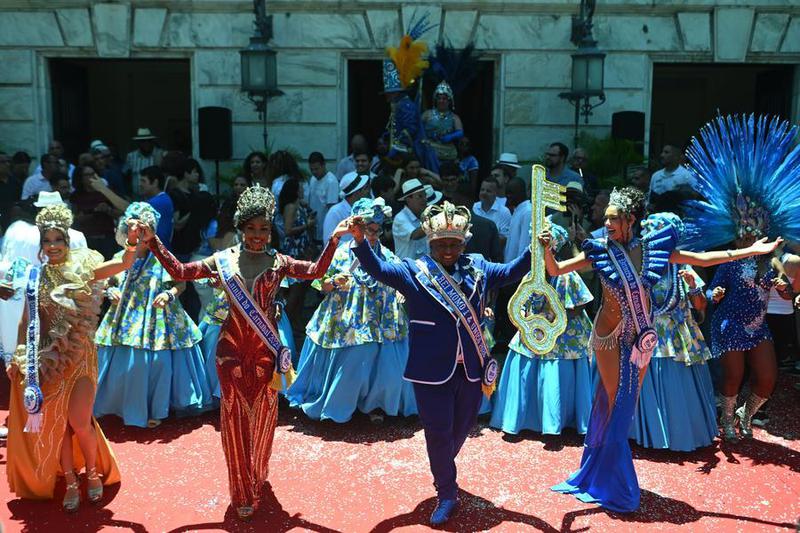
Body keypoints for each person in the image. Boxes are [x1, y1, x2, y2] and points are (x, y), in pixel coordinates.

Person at [541, 186, 780, 512]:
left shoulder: (654, 249)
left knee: (625, 404)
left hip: (641, 336)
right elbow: (556, 270)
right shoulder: (599, 249)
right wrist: (546, 250)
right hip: (609, 335)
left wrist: (750, 251)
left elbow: (702, 259)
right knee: (614, 402)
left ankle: (602, 474)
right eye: (606, 218)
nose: (607, 224)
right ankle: (612, 480)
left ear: (631, 219)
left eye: (613, 219)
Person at [137, 184, 352, 520]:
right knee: (234, 419)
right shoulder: (222, 261)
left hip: (267, 353)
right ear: (240, 227)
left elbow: (316, 272)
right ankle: (241, 490)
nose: (257, 235)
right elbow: (180, 272)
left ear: (271, 230)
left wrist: (335, 239)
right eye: (251, 228)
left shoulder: (279, 263)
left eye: (264, 229)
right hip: (230, 352)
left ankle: (257, 472)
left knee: (265, 418)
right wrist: (153, 242)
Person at [350, 201, 533, 525]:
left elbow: (510, 272)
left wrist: (536, 249)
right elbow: (378, 270)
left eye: (454, 244)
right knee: (438, 432)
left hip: (472, 368)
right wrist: (361, 241)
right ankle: (447, 490)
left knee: (459, 430)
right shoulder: (413, 270)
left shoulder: (478, 266)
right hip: (430, 369)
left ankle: (442, 465)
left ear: (464, 243)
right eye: (440, 245)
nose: (448, 251)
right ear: (430, 243)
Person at [3, 204, 141, 510]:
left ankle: (92, 473)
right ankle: (70, 481)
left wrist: (132, 242)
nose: (53, 246)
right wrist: (17, 356)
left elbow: (123, 263)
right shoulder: (35, 277)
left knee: (79, 421)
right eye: (47, 241)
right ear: (41, 245)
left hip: (80, 357)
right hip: (49, 362)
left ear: (67, 241)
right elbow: (26, 321)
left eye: (58, 240)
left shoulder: (82, 270)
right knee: (60, 426)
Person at [680, 115, 800, 442]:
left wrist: (786, 290)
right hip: (730, 323)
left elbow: (788, 293)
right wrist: (715, 293)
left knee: (768, 380)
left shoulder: (771, 261)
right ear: (736, 237)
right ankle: (728, 418)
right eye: (744, 235)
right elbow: (710, 291)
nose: (749, 239)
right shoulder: (730, 261)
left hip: (758, 327)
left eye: (754, 235)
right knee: (732, 378)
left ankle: (747, 413)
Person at [288, 198, 416, 423]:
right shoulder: (340, 254)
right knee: (354, 363)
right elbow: (320, 284)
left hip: (381, 320)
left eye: (377, 230)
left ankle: (377, 404)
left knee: (386, 367)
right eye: (368, 230)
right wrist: (334, 282)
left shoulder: (387, 256)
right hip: (346, 321)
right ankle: (342, 405)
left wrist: (400, 292)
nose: (373, 235)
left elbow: (400, 280)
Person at [93, 203, 211, 428]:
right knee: (126, 362)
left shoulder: (162, 257)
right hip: (125, 318)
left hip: (159, 317)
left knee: (160, 362)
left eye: (143, 234)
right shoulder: (120, 256)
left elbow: (181, 284)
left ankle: (157, 407)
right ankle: (120, 405)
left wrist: (168, 294)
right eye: (134, 234)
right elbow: (107, 281)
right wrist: (110, 291)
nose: (139, 239)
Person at [491, 220, 593, 436]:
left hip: (561, 336)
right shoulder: (531, 274)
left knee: (554, 373)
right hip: (532, 331)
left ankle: (555, 425)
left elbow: (580, 306)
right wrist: (527, 318)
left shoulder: (567, 274)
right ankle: (518, 419)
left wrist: (551, 319)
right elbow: (521, 300)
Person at [629, 213, 717, 452]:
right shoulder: (640, 266)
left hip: (678, 336)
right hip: (646, 333)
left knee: (676, 387)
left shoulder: (682, 266)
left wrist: (692, 286)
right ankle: (645, 433)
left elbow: (700, 305)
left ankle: (676, 435)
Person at [422, 81, 464, 165]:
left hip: (448, 152)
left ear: (449, 101)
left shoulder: (454, 117)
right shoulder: (427, 114)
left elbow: (460, 132)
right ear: (436, 100)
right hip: (430, 149)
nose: (441, 101)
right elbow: (418, 128)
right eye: (439, 98)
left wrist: (451, 136)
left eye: (444, 99)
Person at [322, 171, 371, 243]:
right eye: (365, 189)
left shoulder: (364, 209)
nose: (367, 191)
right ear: (356, 192)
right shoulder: (335, 212)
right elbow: (329, 242)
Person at [392, 179, 430, 260]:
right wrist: (436, 222)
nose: (425, 199)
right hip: (406, 266)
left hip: (425, 265)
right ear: (408, 199)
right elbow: (415, 235)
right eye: (420, 196)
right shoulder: (400, 218)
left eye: (425, 195)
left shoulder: (425, 215)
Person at [307, 152, 340, 243]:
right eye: (311, 169)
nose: (314, 172)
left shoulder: (331, 181)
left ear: (324, 165)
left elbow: (332, 208)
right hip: (313, 224)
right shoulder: (313, 179)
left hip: (325, 226)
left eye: (316, 169)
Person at [124, 128, 163, 198]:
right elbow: (126, 176)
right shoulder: (131, 156)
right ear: (138, 143)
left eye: (148, 141)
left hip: (154, 197)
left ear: (152, 141)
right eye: (143, 141)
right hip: (136, 197)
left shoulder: (160, 154)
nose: (146, 143)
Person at [473, 176, 512, 246]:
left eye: (488, 191)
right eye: (482, 190)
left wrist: (481, 237)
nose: (484, 193)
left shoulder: (504, 212)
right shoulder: (474, 207)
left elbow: (504, 239)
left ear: (496, 193)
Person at [503, 178, 531, 263]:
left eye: (511, 193)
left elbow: (524, 247)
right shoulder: (518, 210)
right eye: (507, 193)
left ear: (521, 193)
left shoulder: (528, 212)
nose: (508, 196)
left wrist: (518, 268)